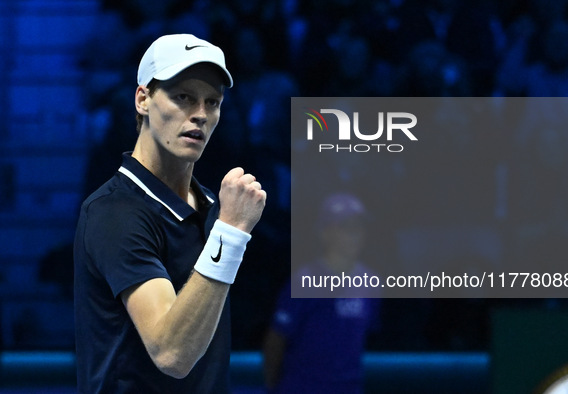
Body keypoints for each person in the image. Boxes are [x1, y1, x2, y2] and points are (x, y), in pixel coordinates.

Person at [74, 34, 266, 393]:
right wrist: (231, 233)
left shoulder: (212, 205)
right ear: (143, 99)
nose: (201, 114)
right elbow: (172, 353)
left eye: (213, 102)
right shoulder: (114, 212)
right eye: (183, 97)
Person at [263, 193, 380, 393]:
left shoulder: (370, 281)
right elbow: (276, 340)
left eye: (359, 227)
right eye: (346, 227)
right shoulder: (304, 281)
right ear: (325, 232)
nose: (356, 234)